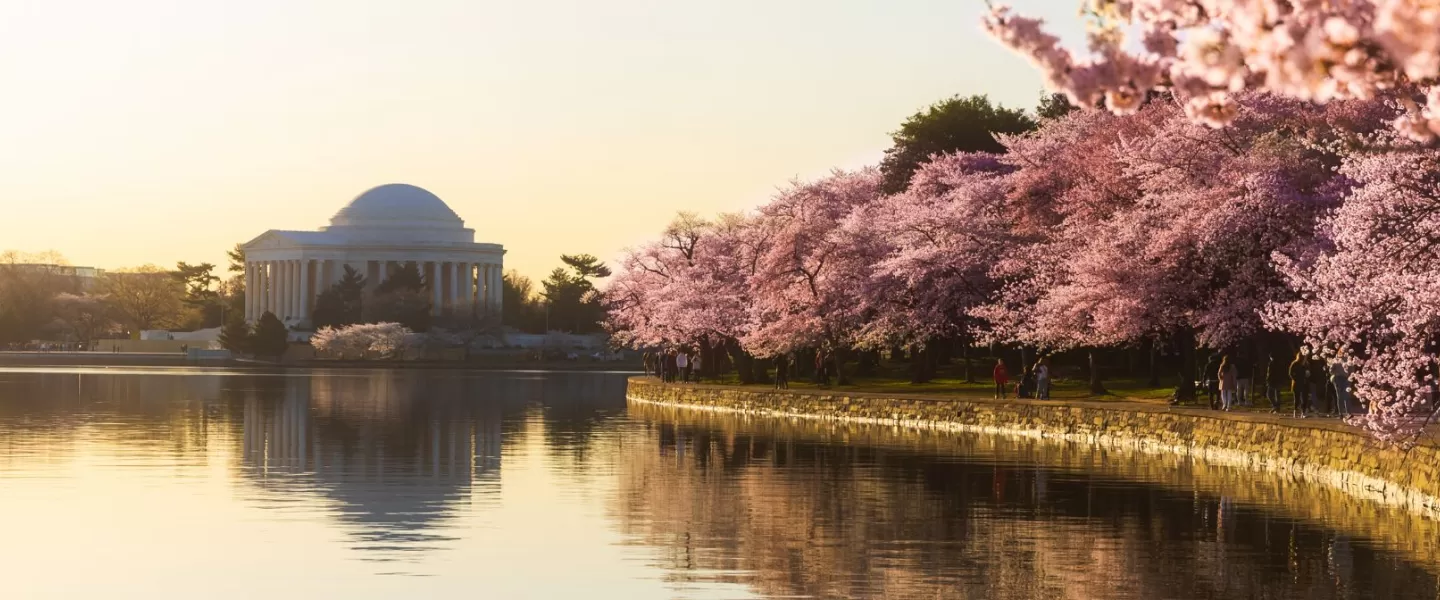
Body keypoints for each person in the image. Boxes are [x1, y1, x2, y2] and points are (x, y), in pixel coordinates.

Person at [1289, 352, 1310, 418]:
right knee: (1297, 398)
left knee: (1304, 398)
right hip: (1297, 383)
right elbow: (1291, 373)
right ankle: (1295, 411)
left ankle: (1303, 412)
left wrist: (1308, 374)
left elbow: (1308, 372)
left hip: (1304, 383)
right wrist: (1295, 379)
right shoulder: (1295, 364)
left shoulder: (1307, 364)